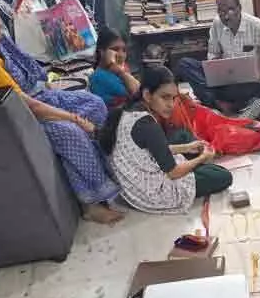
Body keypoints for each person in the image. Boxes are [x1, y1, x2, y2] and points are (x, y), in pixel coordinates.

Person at [0, 0, 123, 224]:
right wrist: (74, 119)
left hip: (30, 98)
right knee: (69, 132)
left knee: (94, 103)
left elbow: (30, 75)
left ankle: (110, 173)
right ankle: (90, 201)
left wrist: (53, 91)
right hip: (11, 120)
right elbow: (25, 105)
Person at [99, 65, 233, 214]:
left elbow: (146, 151)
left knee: (182, 136)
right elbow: (173, 173)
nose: (171, 104)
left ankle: (197, 163)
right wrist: (202, 158)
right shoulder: (147, 125)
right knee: (223, 175)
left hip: (138, 180)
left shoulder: (130, 110)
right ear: (147, 95)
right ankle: (200, 166)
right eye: (165, 97)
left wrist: (187, 147)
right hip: (154, 192)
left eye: (173, 98)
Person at [177, 0, 260, 113]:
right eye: (221, 11)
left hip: (248, 83)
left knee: (249, 89)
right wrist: (216, 67)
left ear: (239, 8)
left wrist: (257, 68)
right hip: (223, 81)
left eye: (230, 10)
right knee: (185, 64)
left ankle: (214, 100)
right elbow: (213, 53)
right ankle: (219, 102)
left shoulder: (258, 26)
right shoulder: (217, 24)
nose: (226, 16)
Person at [89, 27, 140, 107]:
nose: (121, 55)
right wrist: (121, 73)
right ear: (102, 52)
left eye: (124, 50)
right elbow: (137, 93)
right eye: (115, 49)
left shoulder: (121, 68)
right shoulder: (99, 77)